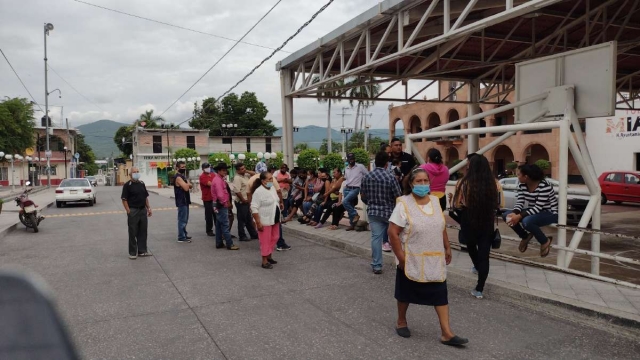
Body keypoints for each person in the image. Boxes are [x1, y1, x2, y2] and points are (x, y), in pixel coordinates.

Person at [387, 168, 468, 346]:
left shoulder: (435, 200)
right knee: (405, 292)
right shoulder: (403, 204)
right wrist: (401, 258)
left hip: (434, 257)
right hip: (411, 258)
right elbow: (393, 233)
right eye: (419, 181)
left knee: (440, 293)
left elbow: (440, 225)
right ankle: (401, 321)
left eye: (426, 181)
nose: (423, 185)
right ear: (411, 184)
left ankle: (446, 332)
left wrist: (447, 246)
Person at [451, 154, 499, 299]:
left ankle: (477, 266)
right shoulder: (494, 183)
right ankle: (479, 288)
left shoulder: (462, 183)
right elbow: (499, 204)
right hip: (487, 219)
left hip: (468, 218)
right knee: (485, 254)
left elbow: (457, 204)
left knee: (470, 246)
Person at [502, 164, 557, 258]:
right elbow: (520, 201)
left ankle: (544, 241)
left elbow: (538, 207)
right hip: (533, 210)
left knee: (526, 221)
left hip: (549, 212)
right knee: (506, 215)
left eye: (518, 174)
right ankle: (524, 236)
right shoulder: (523, 185)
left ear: (526, 176)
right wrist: (514, 213)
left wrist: (519, 216)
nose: (517, 176)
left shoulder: (544, 186)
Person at [361, 152, 402, 274]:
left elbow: (363, 195)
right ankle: (400, 263)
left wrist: (370, 203)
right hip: (390, 212)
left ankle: (377, 265)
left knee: (376, 238)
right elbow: (398, 196)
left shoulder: (367, 177)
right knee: (396, 238)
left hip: (373, 212)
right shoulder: (390, 177)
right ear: (386, 164)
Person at [250, 171, 282, 269]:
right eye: (269, 179)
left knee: (275, 237)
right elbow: (254, 207)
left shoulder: (272, 188)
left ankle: (269, 254)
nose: (271, 180)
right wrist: (258, 222)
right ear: (263, 181)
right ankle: (264, 261)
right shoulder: (258, 192)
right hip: (264, 220)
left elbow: (276, 199)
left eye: (272, 178)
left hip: (274, 218)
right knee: (265, 240)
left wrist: (280, 204)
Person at [121, 167, 152, 259]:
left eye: (138, 172)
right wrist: (128, 211)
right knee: (133, 232)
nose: (136, 173)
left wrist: (148, 208)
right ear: (130, 174)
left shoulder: (142, 184)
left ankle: (142, 251)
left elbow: (145, 197)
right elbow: (124, 199)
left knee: (143, 231)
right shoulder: (127, 185)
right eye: (134, 172)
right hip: (133, 210)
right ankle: (132, 252)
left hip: (142, 210)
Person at [211, 162, 239, 250]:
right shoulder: (218, 181)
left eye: (225, 170)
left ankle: (219, 243)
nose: (225, 172)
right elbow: (220, 195)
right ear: (218, 171)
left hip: (217, 204)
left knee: (219, 225)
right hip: (221, 204)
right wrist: (226, 203)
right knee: (225, 225)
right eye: (223, 170)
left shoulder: (218, 179)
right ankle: (229, 244)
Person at [233, 163, 259, 242]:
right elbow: (237, 190)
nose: (244, 170)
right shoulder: (237, 178)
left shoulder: (246, 176)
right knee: (242, 219)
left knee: (248, 219)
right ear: (237, 170)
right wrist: (243, 200)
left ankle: (253, 234)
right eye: (242, 169)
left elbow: (255, 174)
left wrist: (246, 171)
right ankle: (242, 235)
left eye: (244, 168)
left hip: (248, 200)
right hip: (241, 201)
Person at [343, 152, 369, 231]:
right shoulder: (346, 168)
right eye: (350, 159)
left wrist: (363, 186)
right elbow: (346, 179)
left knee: (345, 202)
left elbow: (367, 175)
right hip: (347, 188)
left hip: (355, 188)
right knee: (350, 206)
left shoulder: (360, 166)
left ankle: (355, 214)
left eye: (353, 158)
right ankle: (352, 224)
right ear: (348, 159)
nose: (352, 160)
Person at [173, 161, 192, 243]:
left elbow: (190, 185)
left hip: (186, 200)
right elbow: (187, 188)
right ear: (177, 168)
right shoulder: (178, 177)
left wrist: (186, 184)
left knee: (186, 218)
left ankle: (184, 234)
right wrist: (186, 184)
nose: (184, 168)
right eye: (182, 167)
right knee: (182, 219)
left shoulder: (183, 176)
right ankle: (181, 237)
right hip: (181, 201)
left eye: (184, 167)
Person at [199, 163, 216, 237]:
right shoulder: (202, 176)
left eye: (208, 167)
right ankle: (209, 230)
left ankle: (218, 229)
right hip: (207, 198)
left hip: (214, 198)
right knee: (209, 215)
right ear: (203, 169)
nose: (208, 168)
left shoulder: (213, 174)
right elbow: (211, 184)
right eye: (206, 167)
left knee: (216, 214)